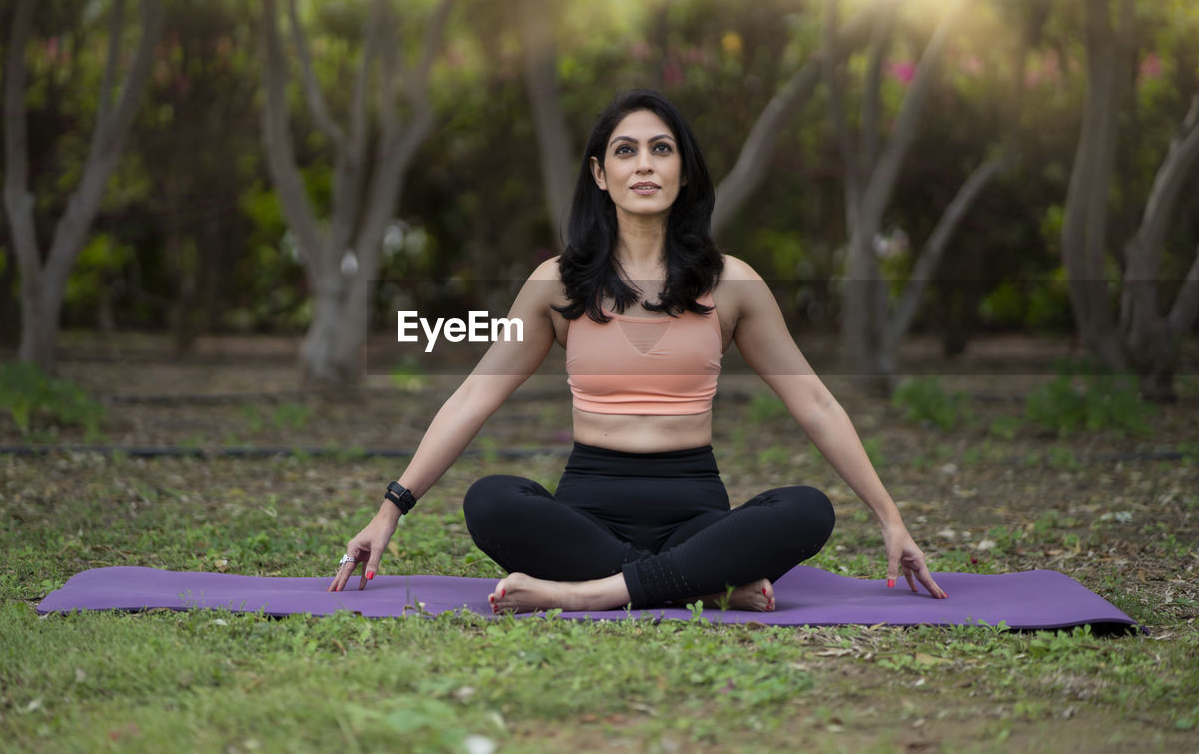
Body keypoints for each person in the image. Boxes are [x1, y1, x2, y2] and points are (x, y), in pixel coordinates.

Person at [329, 89, 947, 613]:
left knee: (807, 509)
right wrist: (389, 511)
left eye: (661, 149)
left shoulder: (731, 283)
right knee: (490, 500)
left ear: (683, 171)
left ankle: (587, 595)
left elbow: (812, 401)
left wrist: (891, 518)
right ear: (601, 173)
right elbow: (474, 396)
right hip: (587, 517)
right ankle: (699, 582)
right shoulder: (557, 284)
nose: (644, 165)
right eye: (626, 151)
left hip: (696, 511)